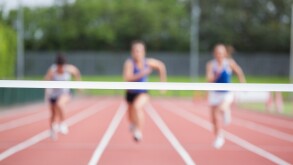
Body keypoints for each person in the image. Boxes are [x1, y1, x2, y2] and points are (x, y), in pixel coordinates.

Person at [123, 40, 167, 142]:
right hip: (130, 92)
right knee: (130, 116)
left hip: (143, 92)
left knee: (137, 107)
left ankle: (139, 131)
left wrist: (163, 83)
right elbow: (127, 77)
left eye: (140, 51)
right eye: (135, 51)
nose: (137, 53)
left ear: (144, 52)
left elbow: (161, 66)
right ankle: (134, 124)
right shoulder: (129, 63)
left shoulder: (147, 62)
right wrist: (142, 73)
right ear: (132, 52)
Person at [206, 44, 246, 149]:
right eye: (217, 53)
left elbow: (239, 72)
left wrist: (243, 84)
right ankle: (219, 136)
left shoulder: (229, 63)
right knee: (213, 119)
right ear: (214, 54)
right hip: (215, 93)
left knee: (219, 110)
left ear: (225, 54)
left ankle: (226, 111)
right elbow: (208, 79)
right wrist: (215, 76)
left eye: (221, 53)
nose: (219, 55)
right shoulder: (211, 64)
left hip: (226, 93)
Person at [44, 53, 81, 140]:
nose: (60, 68)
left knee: (60, 104)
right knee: (53, 114)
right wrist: (47, 93)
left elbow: (76, 72)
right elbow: (46, 80)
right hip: (53, 94)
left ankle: (63, 123)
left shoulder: (69, 69)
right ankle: (52, 131)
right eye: (59, 66)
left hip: (65, 93)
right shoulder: (52, 70)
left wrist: (79, 85)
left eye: (62, 66)